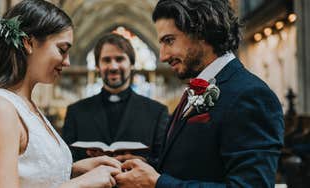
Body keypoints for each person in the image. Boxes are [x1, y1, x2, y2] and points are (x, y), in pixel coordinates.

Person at [115, 0, 284, 187]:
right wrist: (144, 167)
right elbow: (191, 163)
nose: (162, 56)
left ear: (202, 30)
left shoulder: (250, 95)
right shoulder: (197, 86)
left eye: (169, 40)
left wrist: (158, 183)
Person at [0, 0, 121, 187]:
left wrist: (74, 169)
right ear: (28, 43)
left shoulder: (25, 104)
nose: (67, 61)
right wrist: (81, 184)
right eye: (62, 50)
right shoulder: (0, 108)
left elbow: (31, 174)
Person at [62, 33, 169, 166]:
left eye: (119, 59)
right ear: (97, 66)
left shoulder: (157, 112)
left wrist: (145, 163)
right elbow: (65, 161)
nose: (113, 67)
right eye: (106, 60)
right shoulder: (75, 112)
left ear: (132, 64)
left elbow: (164, 162)